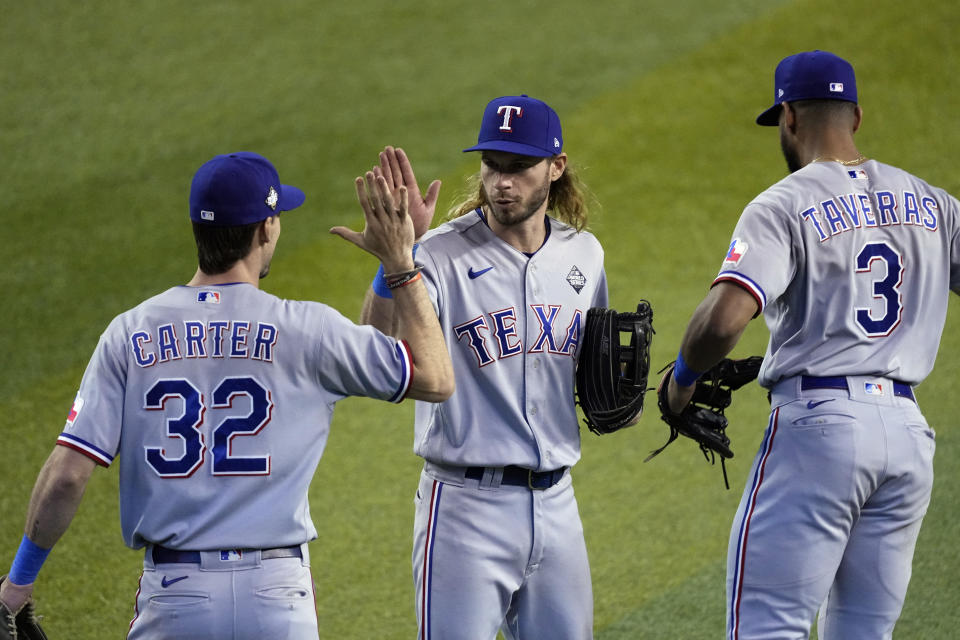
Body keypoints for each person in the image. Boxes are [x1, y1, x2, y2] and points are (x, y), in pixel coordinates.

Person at [0, 151, 454, 639]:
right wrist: (398, 262)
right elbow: (433, 377)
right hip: (277, 596)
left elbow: (68, 476)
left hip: (176, 594)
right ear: (264, 230)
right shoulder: (307, 328)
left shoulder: (130, 333)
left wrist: (16, 586)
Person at [660, 50, 959, 639]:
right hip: (907, 441)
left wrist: (682, 380)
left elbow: (724, 321)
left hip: (821, 431)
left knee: (768, 629)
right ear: (857, 116)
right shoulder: (934, 203)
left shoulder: (785, 203)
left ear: (789, 117)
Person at [361, 95, 608, 639]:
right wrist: (395, 261)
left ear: (555, 168)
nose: (503, 182)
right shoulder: (439, 254)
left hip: (557, 504)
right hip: (464, 510)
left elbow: (597, 372)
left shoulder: (585, 255)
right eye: (493, 165)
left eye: (520, 168)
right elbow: (376, 347)